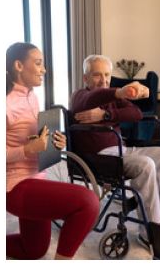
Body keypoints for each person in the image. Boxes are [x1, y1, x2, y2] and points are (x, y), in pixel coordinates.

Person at [70, 54, 160, 260]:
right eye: (96, 75)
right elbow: (93, 98)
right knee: (145, 164)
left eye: (107, 75)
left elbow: (135, 113)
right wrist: (118, 93)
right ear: (85, 79)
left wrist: (106, 116)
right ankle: (150, 233)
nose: (103, 80)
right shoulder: (80, 96)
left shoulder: (113, 100)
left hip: (122, 150)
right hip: (98, 157)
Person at [6, 43, 99, 260]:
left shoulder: (32, 97)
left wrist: (54, 143)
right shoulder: (4, 103)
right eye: (38, 63)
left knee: (34, 250)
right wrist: (28, 149)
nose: (44, 70)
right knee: (88, 202)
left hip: (36, 178)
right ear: (19, 65)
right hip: (14, 186)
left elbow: (32, 140)